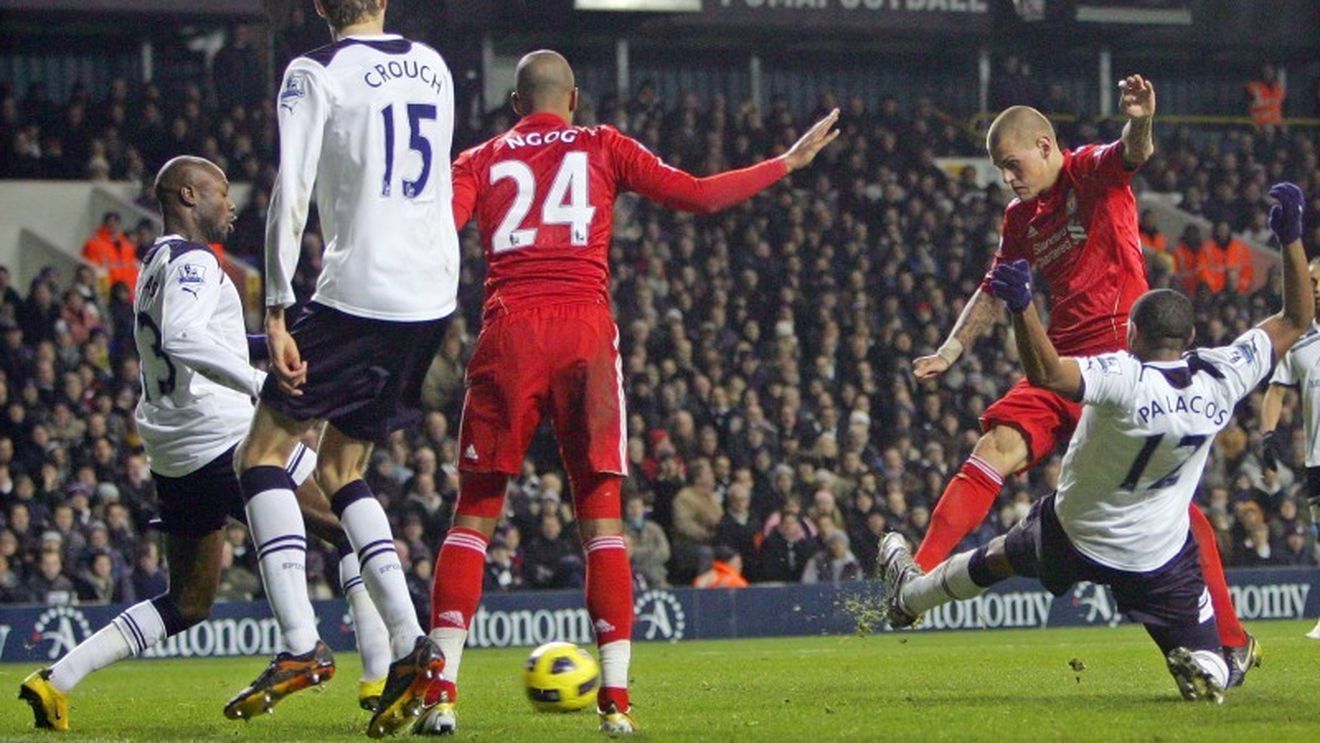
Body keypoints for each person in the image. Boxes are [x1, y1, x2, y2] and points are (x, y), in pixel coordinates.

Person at [420, 49, 837, 736]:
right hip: (584, 329)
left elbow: (437, 235)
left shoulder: (482, 157)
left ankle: (441, 694)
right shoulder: (602, 143)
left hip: (510, 330)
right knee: (601, 513)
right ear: (573, 99)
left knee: (476, 511)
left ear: (518, 104)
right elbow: (698, 195)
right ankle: (615, 703)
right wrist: (783, 164)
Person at [881, 181, 1310, 703]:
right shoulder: (1222, 375)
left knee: (996, 559)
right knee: (1209, 655)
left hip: (1075, 533)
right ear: (1191, 338)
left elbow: (1047, 373)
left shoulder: (1121, 379)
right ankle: (1207, 668)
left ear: (1129, 337)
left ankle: (912, 593)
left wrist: (1024, 309)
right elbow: (1295, 320)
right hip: (1157, 554)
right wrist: (1292, 240)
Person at [17, 156, 388, 731]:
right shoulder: (195, 262)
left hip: (174, 450)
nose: (231, 203)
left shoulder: (157, 262)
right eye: (220, 192)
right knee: (347, 524)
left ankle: (54, 680)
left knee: (188, 603)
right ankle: (367, 670)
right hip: (224, 433)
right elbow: (186, 338)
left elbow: (203, 336)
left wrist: (277, 341)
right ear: (189, 195)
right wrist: (262, 383)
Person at [910, 76, 1257, 677]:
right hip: (1062, 363)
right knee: (997, 445)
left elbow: (1133, 153)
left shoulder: (1088, 173)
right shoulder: (1019, 217)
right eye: (999, 168)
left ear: (1046, 146)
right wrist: (950, 349)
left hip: (1129, 359)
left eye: (1013, 163)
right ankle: (914, 580)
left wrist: (1142, 118)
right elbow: (996, 289)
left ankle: (1230, 640)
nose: (1007, 178)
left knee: (1174, 512)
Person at [234, 0, 459, 736]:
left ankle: (300, 644)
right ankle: (409, 644)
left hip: (361, 291)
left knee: (262, 454)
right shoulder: (431, 64)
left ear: (321, 8)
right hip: (430, 295)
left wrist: (275, 307)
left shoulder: (315, 71)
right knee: (342, 465)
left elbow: (289, 191)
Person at [1259, 251, 1320, 639]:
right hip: (1317, 458)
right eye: (1310, 282)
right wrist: (1267, 435)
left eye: (1317, 281)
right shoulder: (1300, 342)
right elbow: (1275, 392)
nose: (1313, 287)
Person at [82, 212, 140, 294]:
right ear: (104, 225)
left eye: (116, 224)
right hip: (106, 291)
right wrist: (104, 292)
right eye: (110, 224)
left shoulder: (128, 247)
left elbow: (132, 270)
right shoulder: (93, 245)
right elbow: (94, 269)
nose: (113, 227)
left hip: (127, 293)